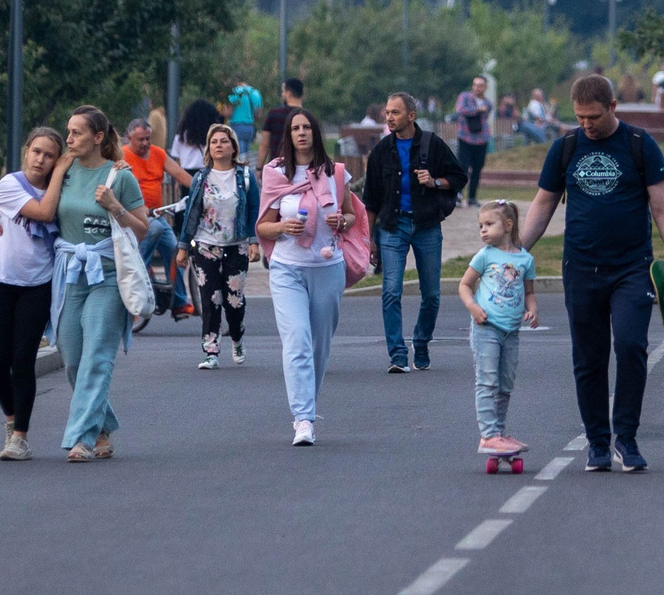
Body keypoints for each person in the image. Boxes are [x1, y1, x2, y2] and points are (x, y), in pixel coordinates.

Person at [520, 73, 664, 474]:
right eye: (580, 117)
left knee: (632, 346)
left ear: (613, 107)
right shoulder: (566, 147)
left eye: (594, 117)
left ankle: (627, 438)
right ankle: (598, 442)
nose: (587, 125)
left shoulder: (638, 145)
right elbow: (543, 204)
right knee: (589, 357)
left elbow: (663, 208)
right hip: (581, 268)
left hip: (632, 268)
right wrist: (515, 254)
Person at [43, 105, 147, 462]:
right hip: (71, 273)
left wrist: (115, 206)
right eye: (68, 131)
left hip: (106, 275)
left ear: (98, 138)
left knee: (97, 357)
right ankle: (102, 427)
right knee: (72, 358)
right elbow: (29, 191)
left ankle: (82, 438)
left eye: (76, 133)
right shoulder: (64, 169)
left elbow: (143, 229)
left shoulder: (119, 176)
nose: (68, 139)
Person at [260, 110, 359, 446]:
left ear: (316, 133)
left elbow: (349, 214)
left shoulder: (337, 172)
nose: (301, 133)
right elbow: (262, 226)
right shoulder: (274, 174)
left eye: (306, 128)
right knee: (297, 339)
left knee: (319, 345)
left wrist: (342, 222)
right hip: (287, 267)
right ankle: (303, 418)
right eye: (295, 128)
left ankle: (307, 404)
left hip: (327, 268)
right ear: (287, 135)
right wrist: (282, 227)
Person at [363, 92, 468, 373]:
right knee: (390, 291)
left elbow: (460, 177)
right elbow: (370, 200)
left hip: (426, 226)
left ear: (411, 115)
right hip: (392, 228)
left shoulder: (432, 145)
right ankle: (397, 354)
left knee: (432, 294)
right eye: (387, 112)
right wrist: (369, 239)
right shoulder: (381, 151)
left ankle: (421, 342)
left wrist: (435, 182)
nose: (389, 117)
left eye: (395, 112)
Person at [0, 127, 64, 461]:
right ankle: (11, 418)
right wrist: (61, 172)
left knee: (23, 360)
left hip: (38, 284)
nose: (41, 160)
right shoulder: (9, 183)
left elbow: (61, 207)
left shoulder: (62, 191)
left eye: (49, 156)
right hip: (1, 280)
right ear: (26, 151)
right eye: (36, 152)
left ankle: (20, 437)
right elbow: (44, 212)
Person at [173, 119, 259, 368]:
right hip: (205, 245)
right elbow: (191, 212)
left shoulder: (244, 175)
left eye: (224, 141)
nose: (219, 145)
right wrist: (183, 247)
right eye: (214, 142)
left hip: (237, 244)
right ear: (208, 149)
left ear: (233, 147)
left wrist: (254, 242)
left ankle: (237, 337)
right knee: (210, 300)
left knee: (234, 300)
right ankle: (211, 352)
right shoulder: (201, 177)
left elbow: (254, 208)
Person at [457, 200, 538, 462]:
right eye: (480, 225)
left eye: (489, 224)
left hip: (511, 332)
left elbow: (529, 292)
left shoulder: (525, 259)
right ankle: (489, 434)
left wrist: (532, 309)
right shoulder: (485, 256)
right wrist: (472, 307)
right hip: (486, 328)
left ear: (508, 225)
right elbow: (464, 285)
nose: (483, 230)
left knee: (505, 385)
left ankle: (499, 434)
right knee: (487, 381)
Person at [121, 117, 192, 326]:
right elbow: (120, 191)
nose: (145, 143)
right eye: (140, 139)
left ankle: (179, 301)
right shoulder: (123, 157)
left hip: (157, 215)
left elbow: (180, 174)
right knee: (153, 231)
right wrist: (142, 209)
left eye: (148, 139)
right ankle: (135, 291)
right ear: (128, 138)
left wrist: (203, 189)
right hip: (134, 217)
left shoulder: (158, 154)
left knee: (176, 249)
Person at [454, 75, 494, 201]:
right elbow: (460, 110)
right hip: (465, 137)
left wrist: (481, 110)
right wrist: (477, 109)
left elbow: (486, 117)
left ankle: (472, 197)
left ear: (485, 87)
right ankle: (458, 194)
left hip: (481, 139)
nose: (477, 88)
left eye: (480, 85)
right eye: (475, 85)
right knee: (463, 167)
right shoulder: (465, 97)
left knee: (477, 168)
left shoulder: (488, 103)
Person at [260, 77, 306, 160]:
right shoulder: (307, 117)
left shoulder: (274, 114)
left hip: (276, 164)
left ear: (289, 93)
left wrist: (259, 168)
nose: (282, 94)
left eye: (283, 91)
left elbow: (264, 144)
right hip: (300, 164)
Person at [224, 79, 264, 151]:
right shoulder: (255, 93)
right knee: (246, 155)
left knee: (238, 154)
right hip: (250, 127)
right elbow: (258, 115)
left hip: (237, 126)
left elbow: (228, 113)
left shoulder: (234, 92)